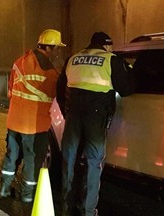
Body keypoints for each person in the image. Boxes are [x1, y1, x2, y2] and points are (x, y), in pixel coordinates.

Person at [56, 32, 135, 216]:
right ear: (107, 46)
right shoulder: (111, 60)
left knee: (69, 160)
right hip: (96, 117)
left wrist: (66, 112)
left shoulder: (73, 58)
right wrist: (130, 70)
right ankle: (88, 210)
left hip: (73, 115)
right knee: (94, 163)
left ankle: (66, 208)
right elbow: (126, 89)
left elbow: (60, 90)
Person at [0, 29, 66, 203]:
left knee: (12, 154)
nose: (58, 52)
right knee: (32, 160)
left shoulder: (19, 62)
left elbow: (10, 91)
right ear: (50, 48)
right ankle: (27, 196)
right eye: (57, 48)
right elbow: (57, 98)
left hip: (14, 121)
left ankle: (5, 188)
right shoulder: (51, 73)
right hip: (35, 126)